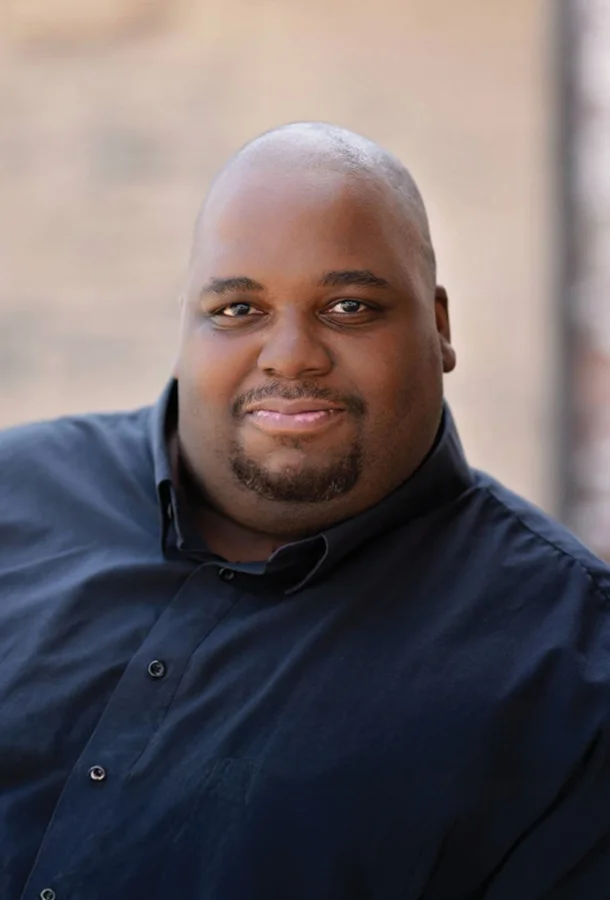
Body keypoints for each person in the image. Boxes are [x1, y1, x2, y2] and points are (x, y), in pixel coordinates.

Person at [1, 122, 610, 900]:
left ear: (440, 327)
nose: (290, 354)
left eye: (350, 306)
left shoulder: (574, 670)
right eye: (237, 309)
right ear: (185, 327)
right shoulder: (13, 495)